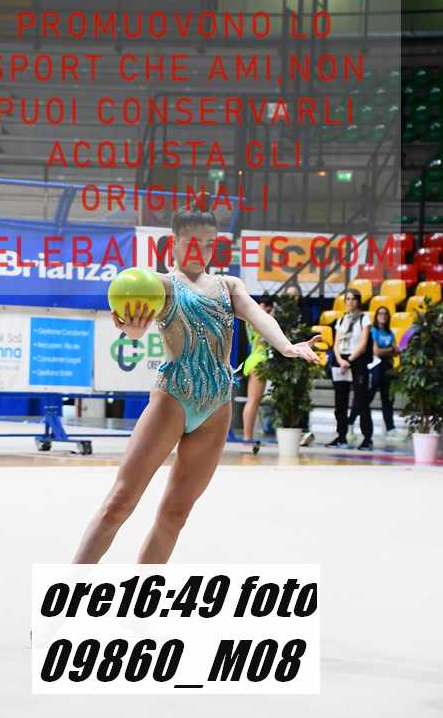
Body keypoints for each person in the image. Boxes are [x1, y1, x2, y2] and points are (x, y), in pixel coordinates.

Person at [71, 206, 321, 565]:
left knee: (175, 514)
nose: (200, 250)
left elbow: (257, 315)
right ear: (173, 242)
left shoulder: (229, 286)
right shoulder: (161, 284)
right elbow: (136, 329)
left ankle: (142, 596)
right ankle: (66, 593)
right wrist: (132, 328)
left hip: (217, 406)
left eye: (208, 243)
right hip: (173, 399)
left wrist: (286, 346)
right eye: (192, 242)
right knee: (120, 503)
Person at [326, 288, 374, 450]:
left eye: (353, 299)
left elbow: (363, 344)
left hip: (357, 360)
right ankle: (341, 436)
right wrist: (340, 360)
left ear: (358, 301)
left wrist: (350, 360)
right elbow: (336, 344)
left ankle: (367, 438)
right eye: (347, 299)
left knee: (361, 401)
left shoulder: (364, 319)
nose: (350, 302)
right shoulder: (341, 320)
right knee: (340, 402)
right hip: (340, 360)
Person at [348, 306, 400, 440]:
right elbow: (376, 351)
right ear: (376, 316)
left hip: (388, 368)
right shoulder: (373, 331)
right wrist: (391, 350)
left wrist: (391, 351)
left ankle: (390, 428)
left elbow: (396, 352)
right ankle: (350, 423)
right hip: (375, 367)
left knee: (387, 399)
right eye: (380, 313)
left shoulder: (390, 332)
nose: (383, 316)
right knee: (365, 397)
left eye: (385, 313)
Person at [284, 283, 315, 446]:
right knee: (285, 394)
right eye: (289, 294)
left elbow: (307, 333)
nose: (292, 297)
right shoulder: (281, 314)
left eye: (295, 294)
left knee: (301, 393)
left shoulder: (306, 312)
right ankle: (286, 428)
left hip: (301, 358)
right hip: (284, 360)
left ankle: (303, 429)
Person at [241, 294, 275, 442]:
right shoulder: (259, 319)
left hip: (254, 359)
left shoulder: (252, 318)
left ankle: (248, 435)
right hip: (259, 361)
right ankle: (247, 436)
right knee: (253, 400)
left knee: (253, 400)